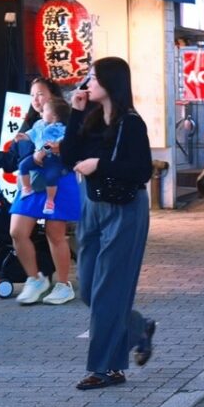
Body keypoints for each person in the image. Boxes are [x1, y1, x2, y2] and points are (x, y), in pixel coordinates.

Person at [61, 57, 157, 389]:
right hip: (92, 206)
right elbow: (68, 158)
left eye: (94, 77)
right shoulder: (91, 120)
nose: (88, 82)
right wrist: (74, 112)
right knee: (89, 288)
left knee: (108, 292)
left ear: (111, 82)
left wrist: (99, 164)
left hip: (125, 209)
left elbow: (142, 170)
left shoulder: (131, 123)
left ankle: (105, 369)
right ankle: (137, 328)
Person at [0, 77, 77, 305]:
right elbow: (11, 160)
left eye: (41, 94)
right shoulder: (31, 125)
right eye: (33, 95)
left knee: (55, 234)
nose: (36, 99)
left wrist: (50, 150)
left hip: (57, 181)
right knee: (16, 231)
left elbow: (75, 148)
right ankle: (35, 279)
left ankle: (63, 284)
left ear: (53, 97)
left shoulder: (66, 121)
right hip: (31, 184)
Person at [18, 97, 71, 216]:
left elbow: (56, 144)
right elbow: (33, 133)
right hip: (37, 155)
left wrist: (43, 152)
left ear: (55, 116)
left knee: (51, 177)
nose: (42, 111)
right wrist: (24, 136)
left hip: (53, 159)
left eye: (46, 110)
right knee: (23, 165)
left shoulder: (61, 129)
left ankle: (50, 201)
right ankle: (26, 188)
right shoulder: (39, 124)